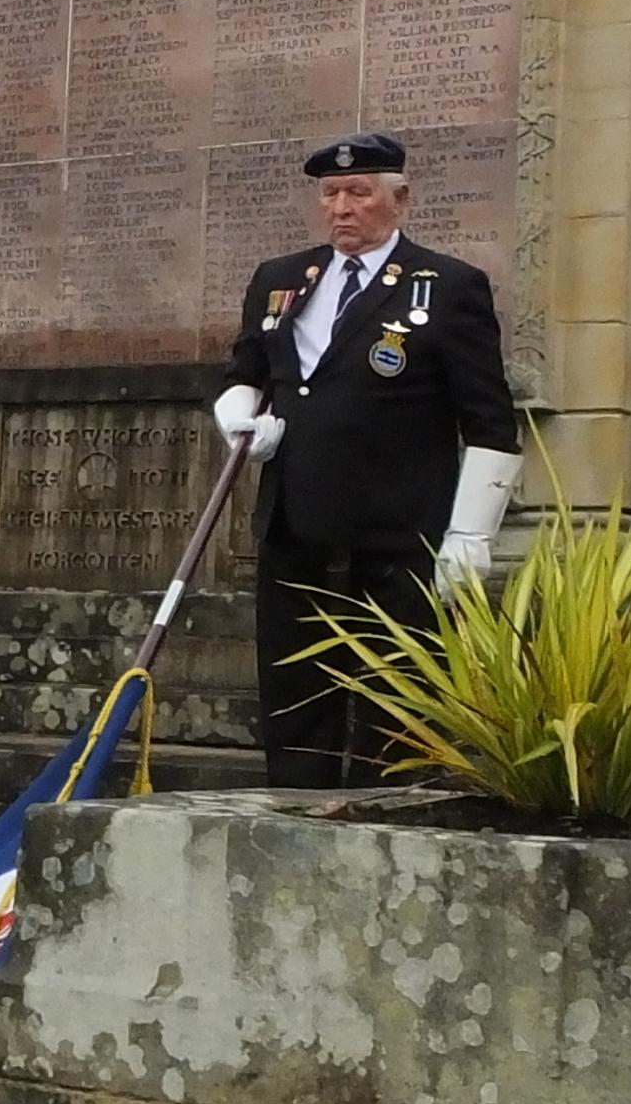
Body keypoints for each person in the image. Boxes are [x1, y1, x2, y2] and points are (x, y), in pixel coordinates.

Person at [218, 132, 521, 788]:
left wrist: (470, 532)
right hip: (297, 526)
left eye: (359, 192)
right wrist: (237, 415)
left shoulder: (446, 286)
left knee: (399, 708)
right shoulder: (280, 279)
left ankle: (396, 824)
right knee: (295, 695)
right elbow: (247, 368)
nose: (342, 208)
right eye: (330, 193)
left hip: (401, 535)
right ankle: (297, 817)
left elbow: (492, 420)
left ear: (399, 199)